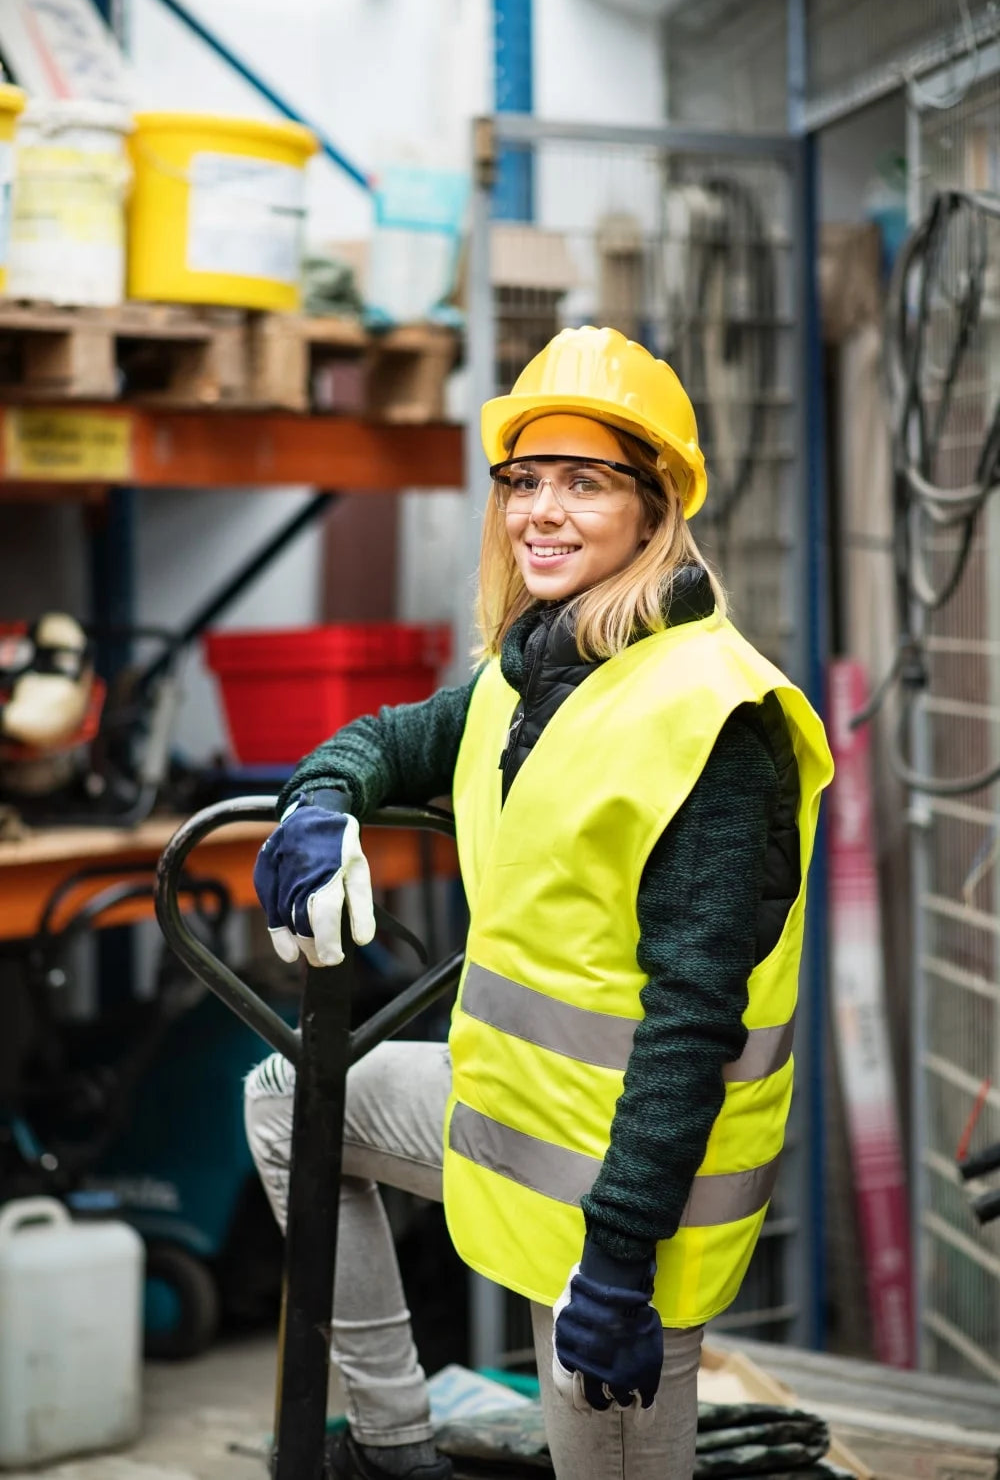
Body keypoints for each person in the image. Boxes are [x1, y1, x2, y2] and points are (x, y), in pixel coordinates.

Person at [246, 325, 834, 1480]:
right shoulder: (533, 672)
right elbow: (386, 737)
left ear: (655, 505)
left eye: (583, 481)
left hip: (633, 1201)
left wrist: (617, 1262)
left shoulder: (716, 718)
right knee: (287, 1100)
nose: (539, 511)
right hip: (512, 1117)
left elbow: (693, 1017)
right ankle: (391, 1445)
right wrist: (317, 805)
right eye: (522, 481)